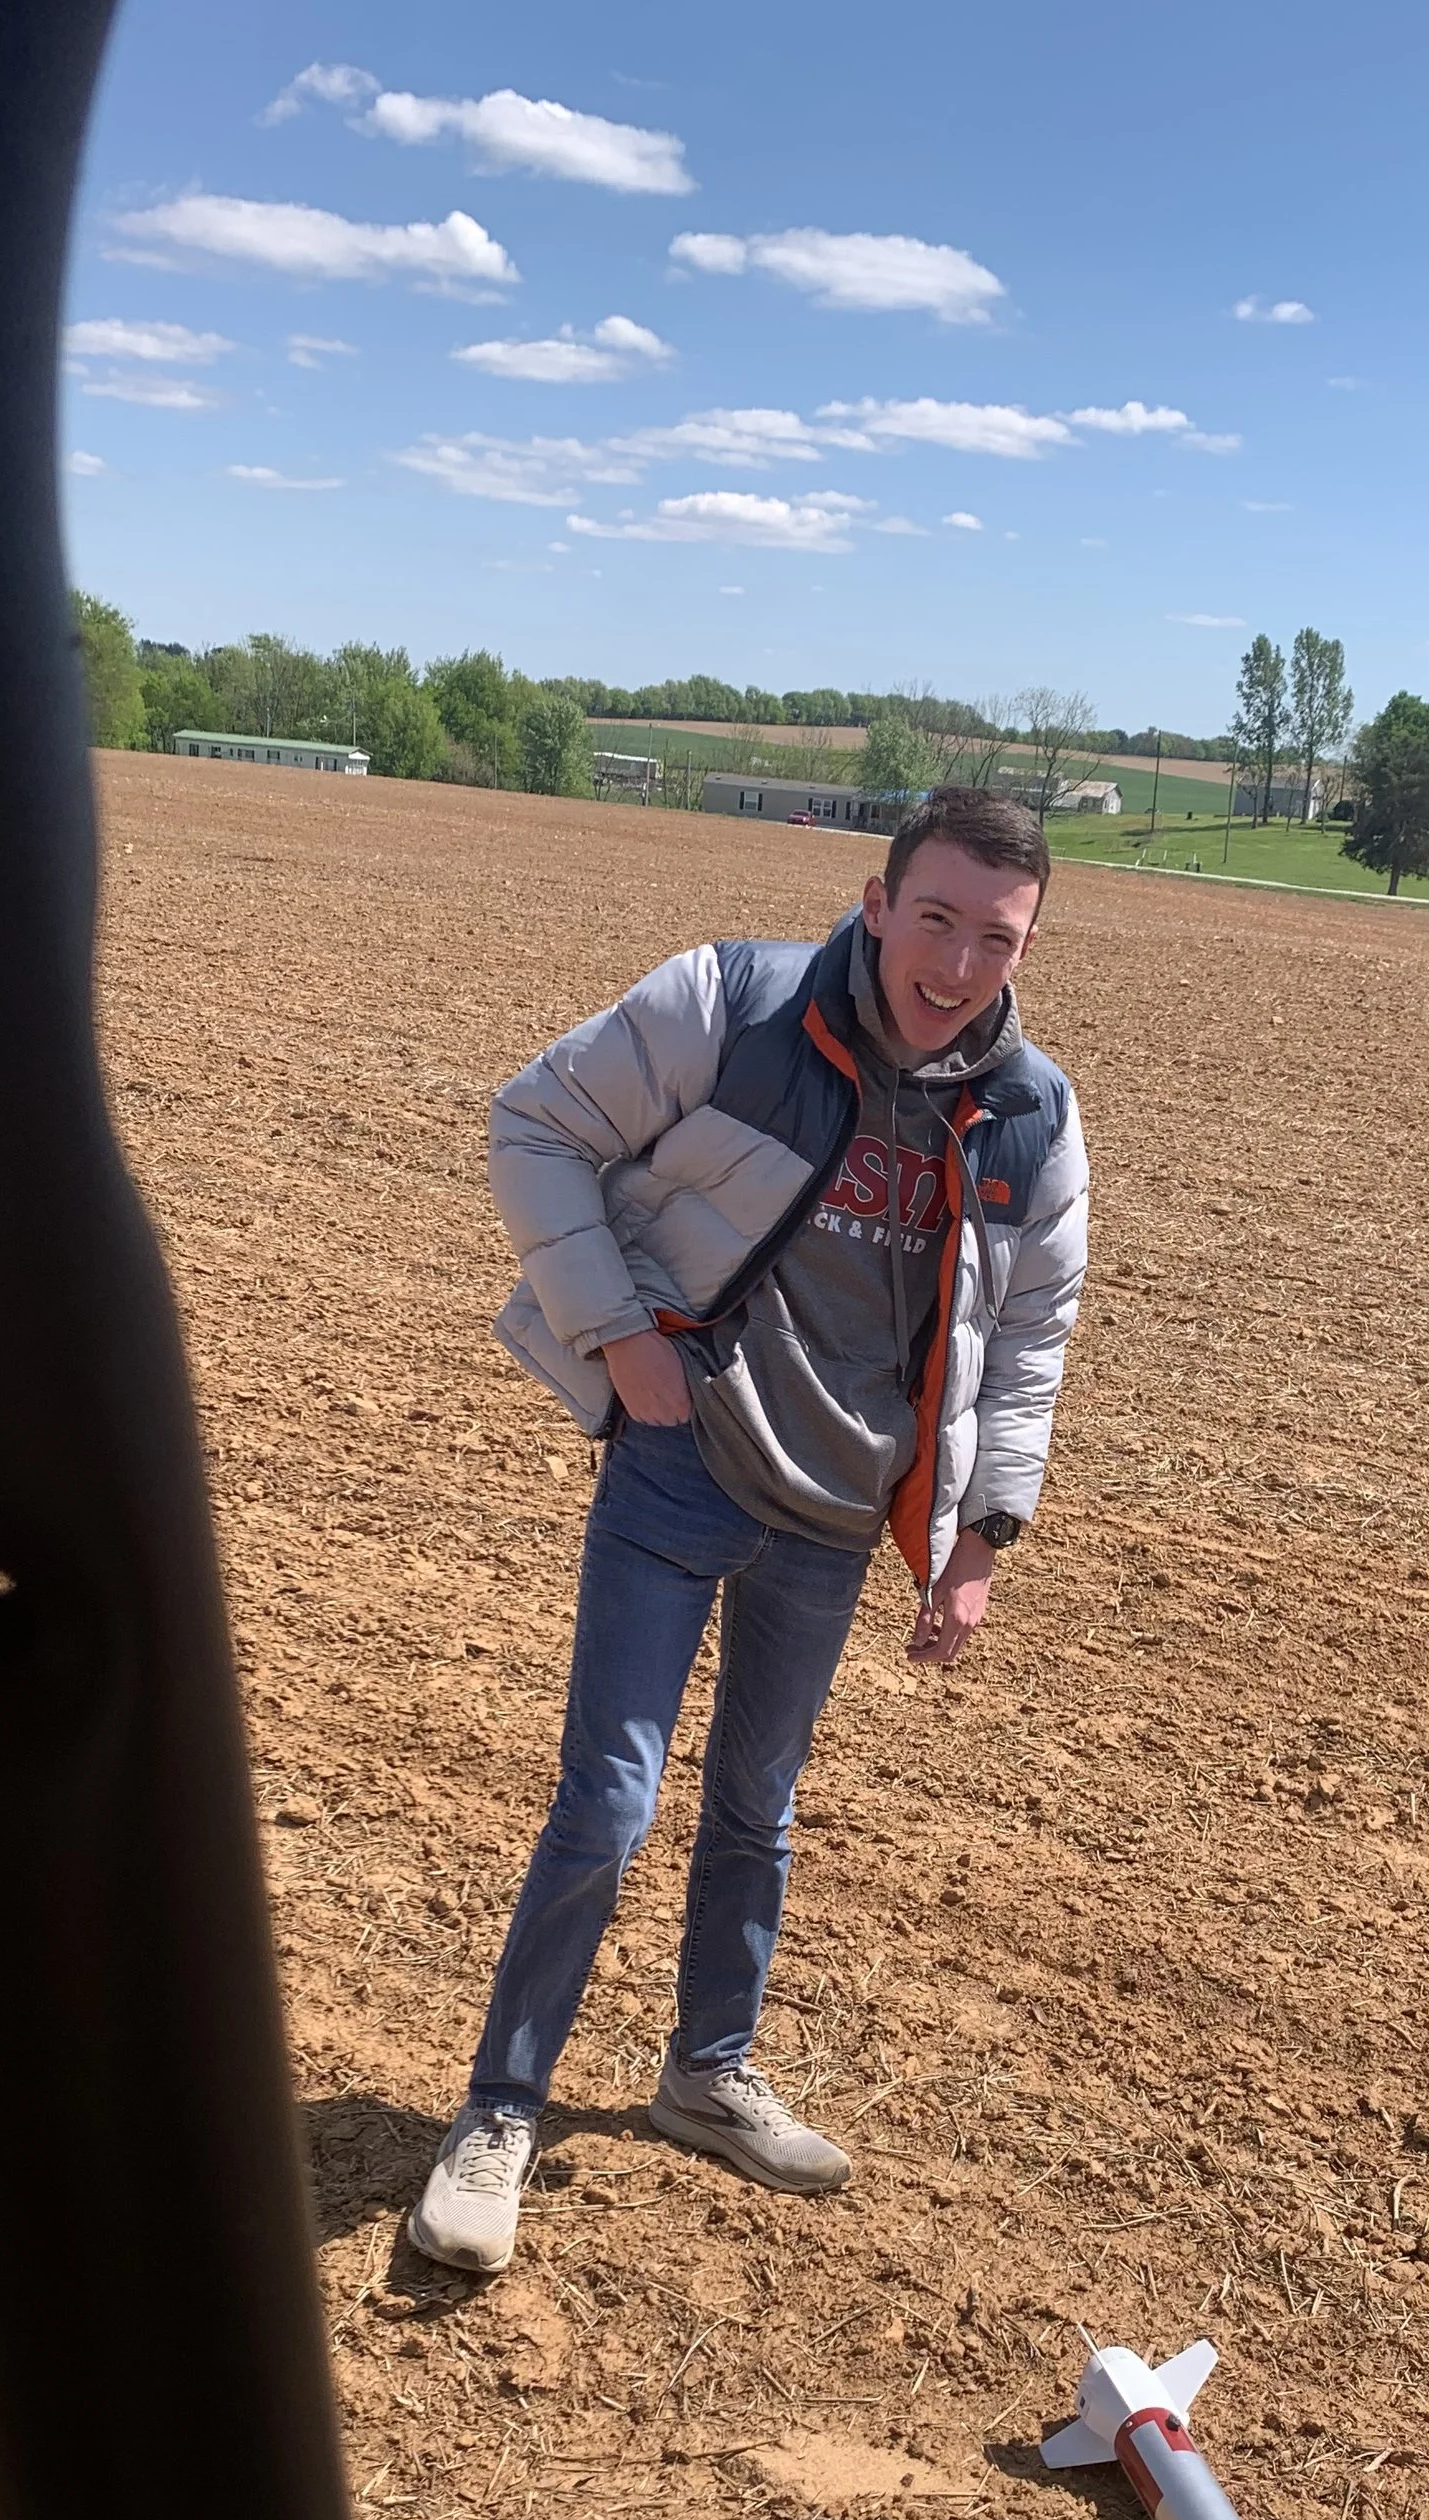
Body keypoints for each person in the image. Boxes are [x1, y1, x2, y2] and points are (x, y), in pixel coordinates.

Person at [410, 787, 1089, 2273]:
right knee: (610, 1801)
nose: (960, 963)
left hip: (841, 1511)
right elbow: (533, 1123)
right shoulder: (735, 1005)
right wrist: (622, 1334)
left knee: (758, 1810)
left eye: (997, 935)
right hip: (682, 1455)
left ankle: (705, 2072)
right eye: (936, 919)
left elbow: (1030, 1333)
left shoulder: (1029, 1113)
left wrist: (983, 1537)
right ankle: (497, 2115)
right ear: (875, 898)